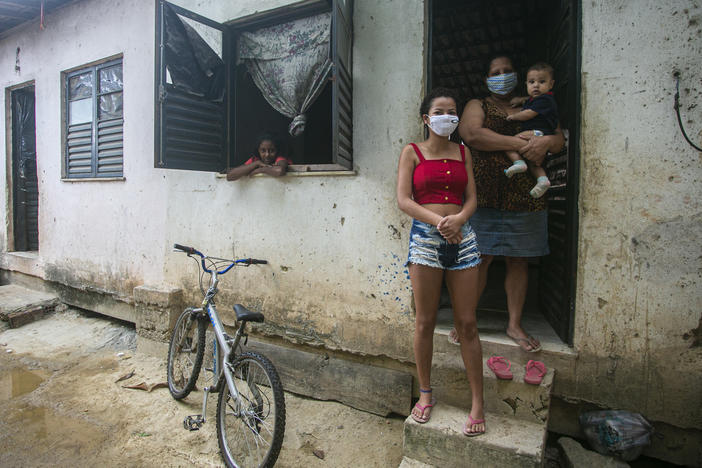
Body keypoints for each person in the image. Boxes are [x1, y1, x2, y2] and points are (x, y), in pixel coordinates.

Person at [451, 55, 565, 353]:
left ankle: (514, 324)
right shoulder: (478, 104)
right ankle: (466, 320)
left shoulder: (534, 104)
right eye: (495, 72)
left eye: (507, 71)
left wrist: (546, 143)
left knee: (519, 260)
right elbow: (472, 134)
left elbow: (558, 140)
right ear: (486, 78)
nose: (501, 76)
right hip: (485, 196)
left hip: (527, 195)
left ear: (519, 75)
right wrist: (523, 144)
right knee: (480, 259)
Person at [397, 87, 485, 436]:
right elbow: (403, 200)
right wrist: (440, 223)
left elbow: (473, 198)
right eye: (440, 111)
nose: (447, 115)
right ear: (426, 118)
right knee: (425, 321)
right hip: (426, 239)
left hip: (464, 239)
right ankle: (426, 393)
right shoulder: (412, 152)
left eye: (453, 110)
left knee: (468, 324)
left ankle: (478, 402)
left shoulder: (464, 152)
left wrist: (459, 220)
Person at [503, 62, 559, 198]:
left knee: (509, 144)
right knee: (535, 162)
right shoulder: (540, 99)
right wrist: (522, 99)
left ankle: (518, 163)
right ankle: (542, 181)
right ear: (526, 84)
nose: (536, 85)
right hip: (540, 134)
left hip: (538, 132)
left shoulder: (546, 100)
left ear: (551, 85)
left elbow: (529, 113)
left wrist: (514, 117)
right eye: (531, 82)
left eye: (542, 82)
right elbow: (530, 100)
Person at [226, 132, 292, 181]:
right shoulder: (255, 160)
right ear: (258, 150)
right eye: (263, 151)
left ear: (277, 150)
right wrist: (256, 163)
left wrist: (261, 170)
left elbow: (280, 170)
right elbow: (230, 176)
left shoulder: (280, 158)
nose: (267, 155)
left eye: (272, 151)